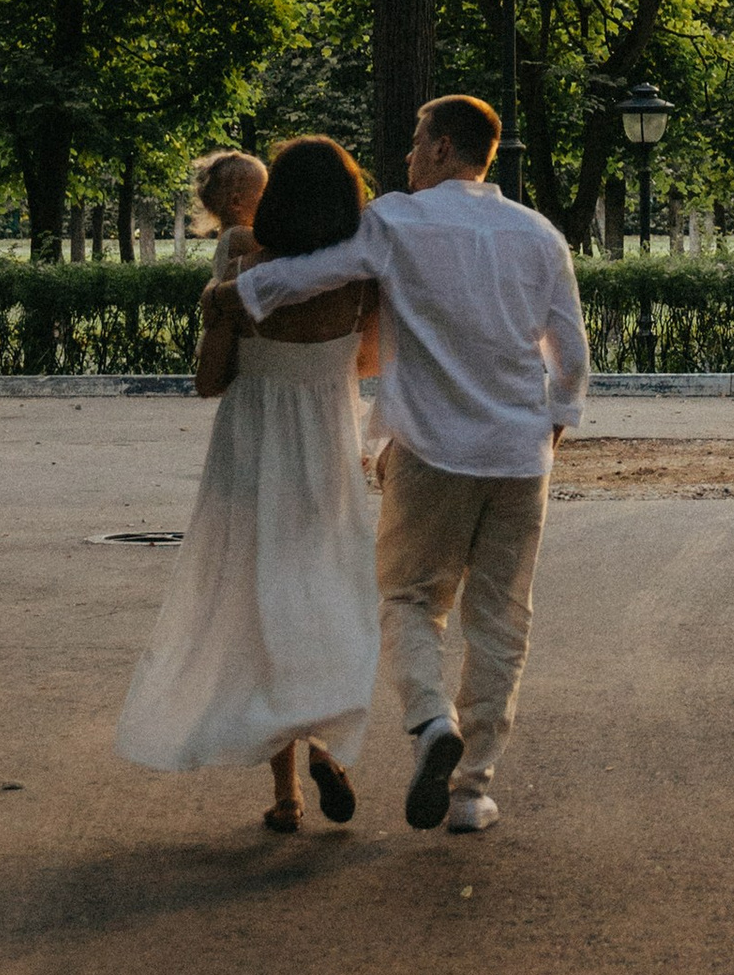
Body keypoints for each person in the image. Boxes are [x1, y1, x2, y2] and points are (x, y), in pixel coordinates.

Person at [217, 92, 589, 838]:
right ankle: (471, 792)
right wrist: (548, 433)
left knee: (410, 598)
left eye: (418, 142)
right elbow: (571, 356)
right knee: (502, 621)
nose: (409, 156)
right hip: (521, 458)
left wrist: (239, 291)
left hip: (431, 452)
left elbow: (313, 274)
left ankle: (430, 722)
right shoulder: (540, 234)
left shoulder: (396, 221)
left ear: (445, 147)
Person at [117, 135, 381, 835]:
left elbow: (210, 380)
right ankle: (325, 745)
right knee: (321, 597)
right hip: (325, 452)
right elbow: (368, 362)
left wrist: (231, 325)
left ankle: (287, 795)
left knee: (256, 609)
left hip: (251, 452)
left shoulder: (242, 269)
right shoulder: (363, 278)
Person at [188, 148, 270, 285]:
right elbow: (280, 248)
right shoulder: (238, 235)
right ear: (236, 202)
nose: (269, 200)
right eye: (263, 193)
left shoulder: (227, 235)